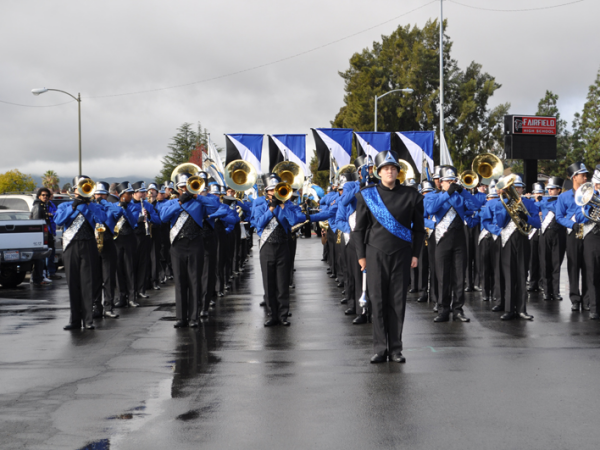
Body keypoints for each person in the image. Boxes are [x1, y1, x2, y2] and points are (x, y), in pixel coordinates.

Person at [352, 151, 425, 364]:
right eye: (385, 168)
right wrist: (361, 256)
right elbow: (359, 230)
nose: (389, 171)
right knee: (378, 301)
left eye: (393, 168)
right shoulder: (367, 195)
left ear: (398, 171)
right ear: (378, 172)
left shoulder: (412, 195)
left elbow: (419, 230)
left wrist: (415, 254)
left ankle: (395, 349)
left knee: (397, 302)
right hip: (375, 255)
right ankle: (379, 348)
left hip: (402, 255)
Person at [425, 166, 481, 323]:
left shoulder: (460, 197)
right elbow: (430, 209)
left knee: (459, 276)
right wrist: (448, 193)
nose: (450, 183)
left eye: (452, 181)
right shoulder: (432, 196)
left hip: (459, 239)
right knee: (443, 276)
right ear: (441, 183)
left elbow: (476, 206)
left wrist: (462, 191)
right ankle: (443, 309)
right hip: (442, 239)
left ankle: (458, 309)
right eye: (447, 181)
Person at [481, 175, 541, 320]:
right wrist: (506, 206)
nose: (517, 190)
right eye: (514, 188)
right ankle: (508, 309)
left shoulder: (529, 203)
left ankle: (521, 309)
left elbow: (538, 223)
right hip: (506, 240)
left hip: (522, 240)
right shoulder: (500, 203)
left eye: (519, 187)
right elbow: (500, 223)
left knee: (521, 275)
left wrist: (526, 217)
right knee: (508, 276)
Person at [54, 176, 106, 330]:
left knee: (88, 283)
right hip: (70, 246)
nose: (82, 191)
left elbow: (101, 219)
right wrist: (73, 207)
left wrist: (87, 206)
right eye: (80, 188)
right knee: (73, 283)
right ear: (74, 190)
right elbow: (58, 221)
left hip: (89, 244)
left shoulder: (92, 205)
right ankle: (75, 320)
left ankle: (88, 320)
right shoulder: (65, 205)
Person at [255, 174, 305, 327]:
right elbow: (258, 224)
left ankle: (283, 315)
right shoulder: (260, 207)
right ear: (266, 192)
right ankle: (272, 315)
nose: (274, 193)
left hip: (283, 246)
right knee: (269, 282)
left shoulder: (288, 205)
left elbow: (295, 220)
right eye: (271, 190)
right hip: (267, 247)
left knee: (282, 282)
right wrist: (271, 209)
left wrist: (283, 205)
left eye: (276, 190)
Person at [556, 162, 589, 311]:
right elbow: (559, 217)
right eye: (583, 175)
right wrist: (571, 224)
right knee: (573, 266)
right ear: (575, 177)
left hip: (588, 232)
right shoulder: (563, 197)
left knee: (589, 267)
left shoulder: (591, 194)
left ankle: (588, 299)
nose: (586, 177)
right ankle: (575, 298)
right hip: (573, 233)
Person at [92, 181, 122, 318]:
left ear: (107, 195)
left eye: (102, 195)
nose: (99, 196)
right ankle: (96, 306)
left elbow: (119, 211)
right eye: (97, 194)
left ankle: (109, 306)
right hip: (93, 243)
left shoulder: (111, 206)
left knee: (109, 277)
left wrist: (103, 202)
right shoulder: (90, 206)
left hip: (108, 242)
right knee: (95, 277)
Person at [575, 168, 600, 319]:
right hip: (592, 237)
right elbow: (579, 216)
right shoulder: (587, 197)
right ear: (596, 185)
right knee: (592, 274)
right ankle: (594, 308)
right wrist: (591, 210)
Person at [538, 177, 566, 301]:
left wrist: (545, 202)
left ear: (559, 190)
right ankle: (546, 290)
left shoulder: (562, 200)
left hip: (559, 233)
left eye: (552, 189)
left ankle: (555, 291)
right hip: (545, 233)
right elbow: (533, 207)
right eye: (548, 189)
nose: (549, 191)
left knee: (556, 263)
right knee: (545, 262)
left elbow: (559, 210)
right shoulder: (542, 200)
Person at [30, 188, 53, 286]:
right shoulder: (38, 206)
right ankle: (38, 278)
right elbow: (37, 223)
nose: (45, 197)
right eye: (43, 195)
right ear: (39, 196)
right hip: (39, 236)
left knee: (42, 257)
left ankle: (40, 276)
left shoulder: (43, 206)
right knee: (39, 257)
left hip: (44, 234)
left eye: (47, 195)